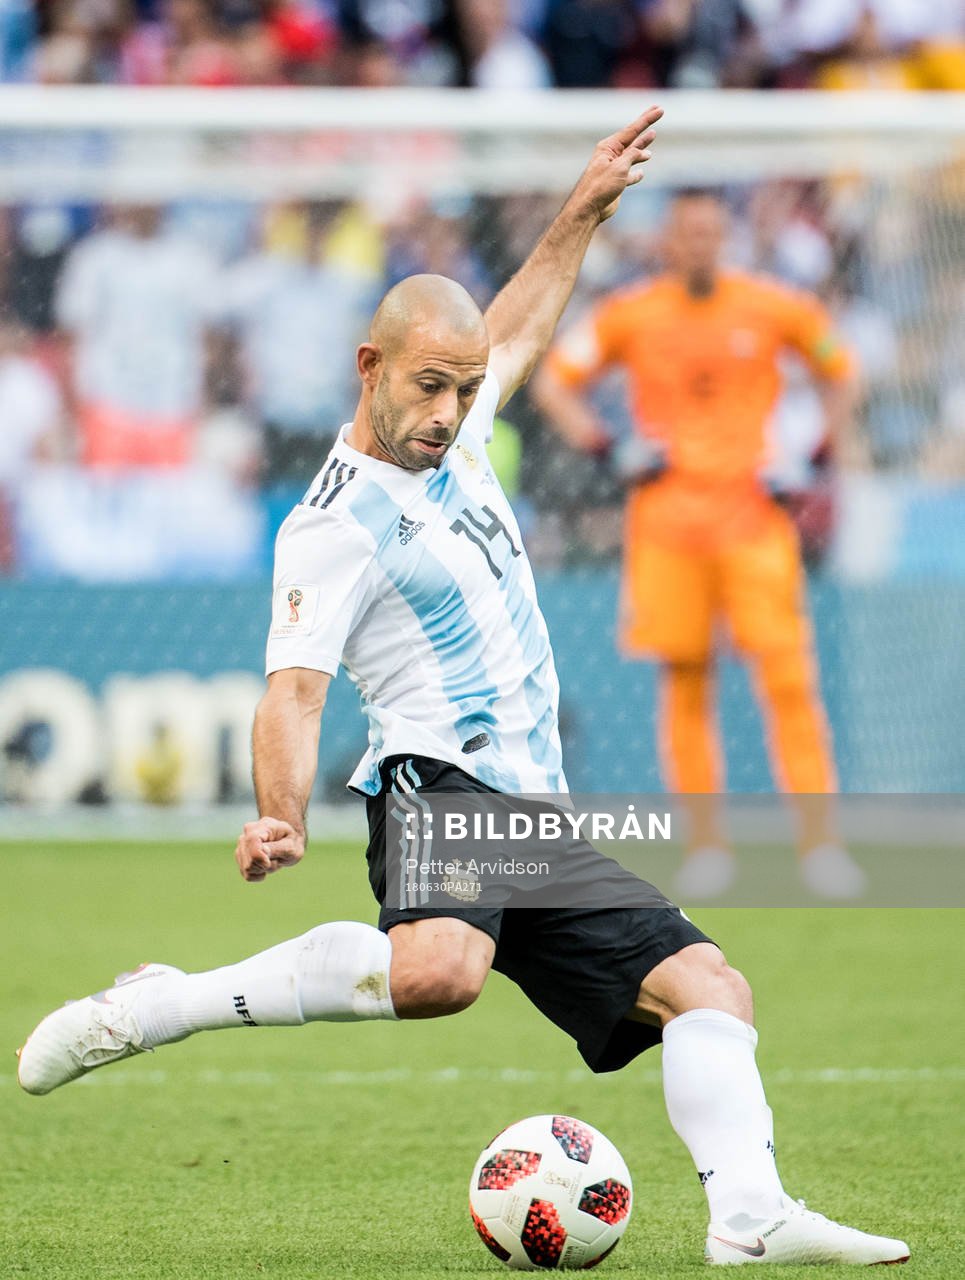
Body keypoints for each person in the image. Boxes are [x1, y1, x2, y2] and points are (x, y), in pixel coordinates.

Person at [17, 113, 907, 1267]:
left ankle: (746, 1213)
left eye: (464, 390)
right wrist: (278, 810)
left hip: (529, 804)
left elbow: (521, 319)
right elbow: (292, 689)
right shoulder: (328, 527)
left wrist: (582, 206)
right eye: (430, 388)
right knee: (443, 970)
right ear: (369, 370)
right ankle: (163, 1003)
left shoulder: (463, 421)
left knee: (707, 987)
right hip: (436, 777)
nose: (447, 414)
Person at [534, 188, 865, 903]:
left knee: (788, 680)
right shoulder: (631, 313)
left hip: (752, 520)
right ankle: (707, 845)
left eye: (713, 232)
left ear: (727, 238)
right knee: (685, 684)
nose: (700, 244)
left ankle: (819, 843)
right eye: (687, 233)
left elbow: (840, 365)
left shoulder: (772, 306)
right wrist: (606, 447)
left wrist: (814, 452)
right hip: (666, 524)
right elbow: (556, 381)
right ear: (668, 241)